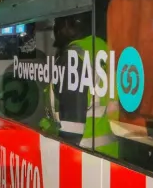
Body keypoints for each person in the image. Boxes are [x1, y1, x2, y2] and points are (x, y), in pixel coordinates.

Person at [40, 15, 119, 156]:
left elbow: (72, 127)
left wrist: (61, 155)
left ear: (66, 26)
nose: (54, 32)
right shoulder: (101, 47)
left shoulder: (72, 58)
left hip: (81, 154)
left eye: (56, 25)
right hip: (109, 151)